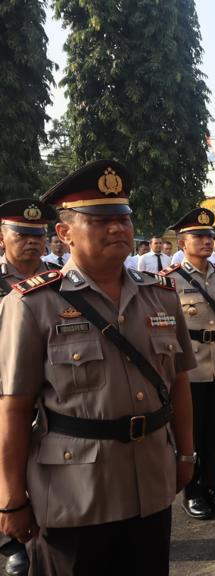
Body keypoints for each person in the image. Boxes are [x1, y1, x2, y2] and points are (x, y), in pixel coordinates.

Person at [0, 159, 196, 576]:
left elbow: (179, 382)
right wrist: (12, 497)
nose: (118, 229)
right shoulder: (32, 304)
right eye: (101, 220)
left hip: (150, 483)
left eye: (123, 219)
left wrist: (187, 454)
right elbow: (14, 409)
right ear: (65, 233)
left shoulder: (160, 297)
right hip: (74, 494)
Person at [161, 208, 215, 521]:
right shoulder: (168, 282)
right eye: (199, 236)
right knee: (189, 433)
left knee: (212, 432)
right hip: (187, 370)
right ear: (182, 242)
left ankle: (212, 487)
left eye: (210, 236)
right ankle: (192, 491)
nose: (207, 241)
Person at [0, 199, 60, 576]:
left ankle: (48, 529)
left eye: (38, 234)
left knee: (48, 459)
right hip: (4, 387)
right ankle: (12, 541)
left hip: (51, 383)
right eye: (22, 234)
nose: (32, 241)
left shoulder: (60, 278)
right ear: (2, 237)